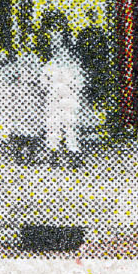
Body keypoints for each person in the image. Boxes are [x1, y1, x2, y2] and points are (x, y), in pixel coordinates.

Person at [39, 26, 90, 169]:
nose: (58, 48)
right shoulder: (50, 64)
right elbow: (43, 81)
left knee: (70, 125)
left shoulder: (72, 63)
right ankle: (53, 153)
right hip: (54, 97)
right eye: (55, 44)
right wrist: (50, 90)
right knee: (53, 125)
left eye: (60, 44)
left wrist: (73, 92)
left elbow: (79, 80)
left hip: (69, 97)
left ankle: (73, 153)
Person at [0, 45, 42, 164]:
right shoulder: (7, 69)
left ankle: (28, 153)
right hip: (18, 98)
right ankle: (17, 152)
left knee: (30, 126)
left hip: (29, 98)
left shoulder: (30, 62)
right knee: (16, 125)